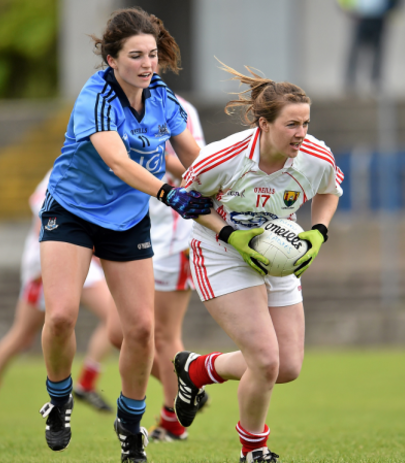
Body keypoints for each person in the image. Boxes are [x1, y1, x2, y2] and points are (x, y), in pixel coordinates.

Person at [37, 7, 211, 463]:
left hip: (127, 219)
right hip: (72, 212)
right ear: (112, 60)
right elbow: (117, 161)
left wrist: (240, 187)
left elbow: (194, 159)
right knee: (60, 317)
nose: (148, 63)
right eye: (136, 55)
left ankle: (130, 426)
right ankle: (59, 400)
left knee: (140, 329)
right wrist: (171, 195)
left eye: (152, 54)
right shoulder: (95, 97)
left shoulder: (161, 97)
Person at [172, 62, 344, 463]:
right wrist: (231, 234)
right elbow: (186, 200)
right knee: (265, 360)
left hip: (275, 253)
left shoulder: (315, 155)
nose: (301, 133)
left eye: (305, 122)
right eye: (291, 124)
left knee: (286, 366)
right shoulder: (222, 158)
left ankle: (197, 370)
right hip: (220, 251)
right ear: (263, 124)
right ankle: (254, 451)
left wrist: (318, 231)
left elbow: (330, 188)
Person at [0, 171, 116, 423]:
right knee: (23, 335)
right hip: (48, 258)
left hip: (83, 257)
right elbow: (45, 222)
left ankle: (87, 382)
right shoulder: (61, 172)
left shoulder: (102, 170)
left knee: (116, 317)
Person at [146, 96, 209, 442]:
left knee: (162, 333)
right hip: (139, 229)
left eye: (150, 54)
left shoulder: (176, 107)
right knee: (120, 332)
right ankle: (190, 389)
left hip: (175, 233)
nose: (145, 63)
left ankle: (173, 419)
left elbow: (195, 167)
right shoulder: (110, 103)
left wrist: (145, 155)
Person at [339, 0, 402, 93]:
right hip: (360, 15)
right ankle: (350, 82)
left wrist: (393, 8)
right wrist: (349, 10)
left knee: (378, 50)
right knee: (356, 51)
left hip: (380, 15)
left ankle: (376, 81)